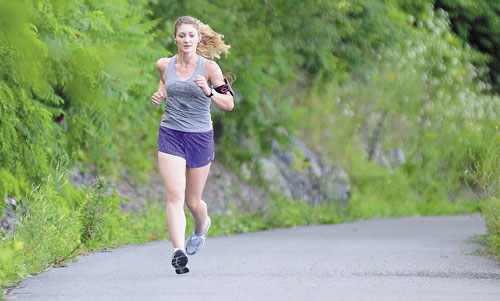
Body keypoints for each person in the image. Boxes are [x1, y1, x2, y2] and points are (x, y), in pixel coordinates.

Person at [151, 16, 234, 275]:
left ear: (199, 39)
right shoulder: (164, 64)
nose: (186, 40)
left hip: (199, 136)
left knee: (192, 201)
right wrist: (160, 93)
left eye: (191, 35)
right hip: (171, 133)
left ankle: (201, 227)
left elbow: (229, 103)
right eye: (182, 35)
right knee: (174, 196)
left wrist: (209, 92)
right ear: (175, 38)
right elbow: (165, 82)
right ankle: (179, 251)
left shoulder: (209, 68)